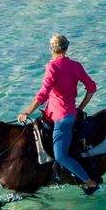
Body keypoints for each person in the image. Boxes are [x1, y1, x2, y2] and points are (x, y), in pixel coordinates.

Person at [16, 33, 99, 191]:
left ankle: (90, 182)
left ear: (51, 49)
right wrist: (80, 108)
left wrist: (27, 112)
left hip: (61, 118)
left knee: (61, 156)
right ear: (67, 48)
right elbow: (92, 88)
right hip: (65, 113)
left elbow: (43, 94)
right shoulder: (76, 66)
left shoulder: (52, 67)